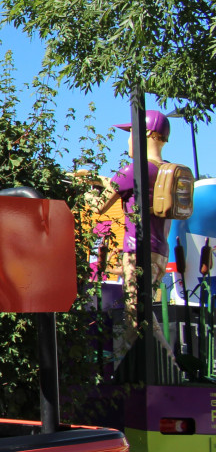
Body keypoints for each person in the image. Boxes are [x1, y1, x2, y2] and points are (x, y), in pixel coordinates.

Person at [95, 109, 173, 362]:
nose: (129, 139)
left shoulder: (133, 171)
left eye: (131, 133)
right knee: (142, 310)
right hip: (159, 251)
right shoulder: (168, 172)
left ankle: (148, 365)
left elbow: (99, 206)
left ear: (146, 134)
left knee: (134, 313)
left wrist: (98, 184)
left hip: (137, 249)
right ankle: (160, 362)